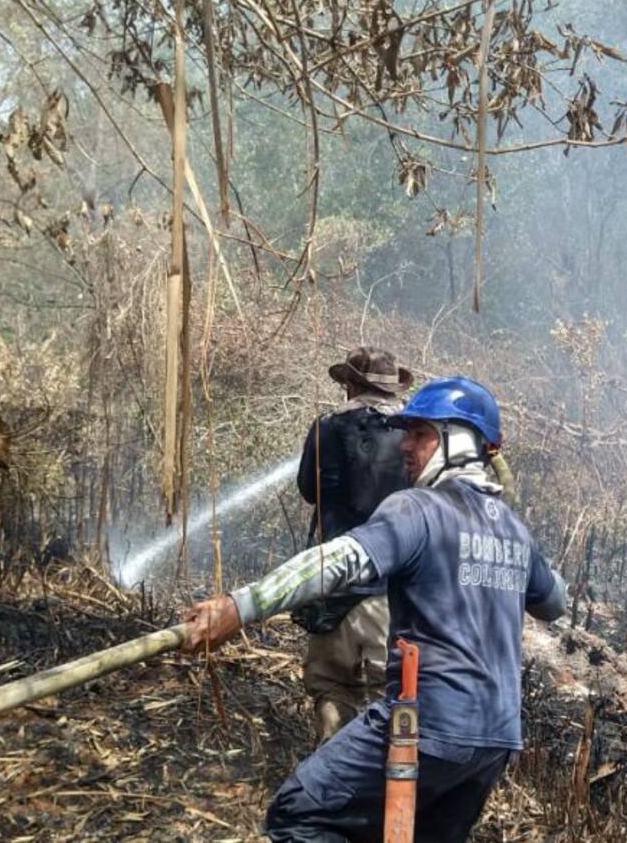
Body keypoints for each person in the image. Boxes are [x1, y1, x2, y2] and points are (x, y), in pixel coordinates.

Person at [183, 376, 566, 842]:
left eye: (420, 434)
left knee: (300, 812)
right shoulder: (514, 531)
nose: (405, 445)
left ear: (459, 442)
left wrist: (237, 607)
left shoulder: (417, 510)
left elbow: (336, 562)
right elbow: (554, 603)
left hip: (426, 725)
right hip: (495, 739)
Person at [295, 346, 413, 743]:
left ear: (349, 385)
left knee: (331, 687)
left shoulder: (326, 427)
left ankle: (330, 775)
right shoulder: (414, 438)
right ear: (391, 389)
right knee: (390, 695)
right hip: (391, 592)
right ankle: (387, 790)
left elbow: (309, 491)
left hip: (334, 584)